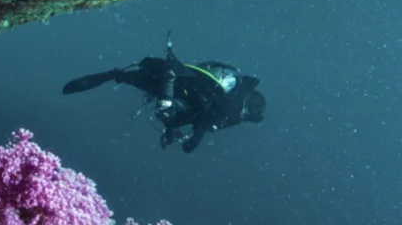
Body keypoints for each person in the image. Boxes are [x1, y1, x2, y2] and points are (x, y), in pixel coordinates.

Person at [61, 31, 266, 153]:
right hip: (177, 84)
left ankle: (116, 75)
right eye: (248, 115)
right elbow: (198, 129)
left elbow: (191, 117)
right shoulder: (233, 106)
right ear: (249, 107)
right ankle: (122, 75)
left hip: (176, 85)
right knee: (150, 78)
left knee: (132, 77)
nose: (243, 118)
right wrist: (189, 131)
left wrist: (170, 127)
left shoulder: (227, 106)